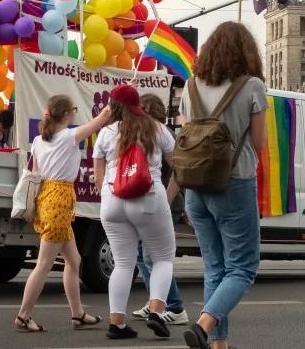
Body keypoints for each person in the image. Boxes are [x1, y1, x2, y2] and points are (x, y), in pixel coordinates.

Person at [179, 22, 267, 349]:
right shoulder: (253, 86)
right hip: (234, 184)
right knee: (242, 268)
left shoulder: (190, 87)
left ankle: (218, 345)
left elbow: (187, 137)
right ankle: (204, 324)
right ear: (246, 52)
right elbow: (258, 142)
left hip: (195, 189)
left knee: (215, 268)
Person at [14, 96, 111, 333]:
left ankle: (77, 314)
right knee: (44, 264)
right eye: (74, 110)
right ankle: (23, 315)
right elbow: (103, 118)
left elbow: (35, 173)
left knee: (74, 260)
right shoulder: (69, 136)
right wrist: (122, 93)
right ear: (66, 114)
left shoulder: (38, 141)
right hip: (59, 199)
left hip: (47, 197)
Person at [92, 85, 178, 340]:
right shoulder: (157, 128)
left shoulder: (106, 132)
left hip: (113, 201)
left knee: (123, 263)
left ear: (114, 107)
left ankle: (117, 323)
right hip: (149, 198)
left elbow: (98, 174)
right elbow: (179, 166)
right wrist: (169, 195)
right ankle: (156, 310)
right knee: (163, 257)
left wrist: (107, 195)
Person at [131, 93, 188, 327]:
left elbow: (179, 169)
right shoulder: (146, 134)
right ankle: (157, 300)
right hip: (150, 203)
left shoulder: (164, 134)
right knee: (142, 256)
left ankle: (174, 307)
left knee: (152, 257)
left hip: (166, 203)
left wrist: (167, 197)